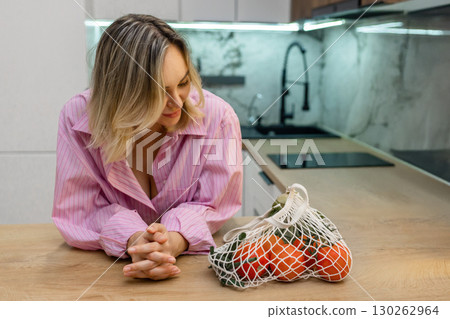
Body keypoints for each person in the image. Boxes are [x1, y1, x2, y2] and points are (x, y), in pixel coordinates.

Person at [52, 14, 243, 280]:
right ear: (122, 92)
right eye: (159, 92)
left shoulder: (218, 117)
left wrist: (172, 242)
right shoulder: (77, 117)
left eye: (183, 83)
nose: (177, 102)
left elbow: (214, 203)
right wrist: (134, 239)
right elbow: (79, 209)